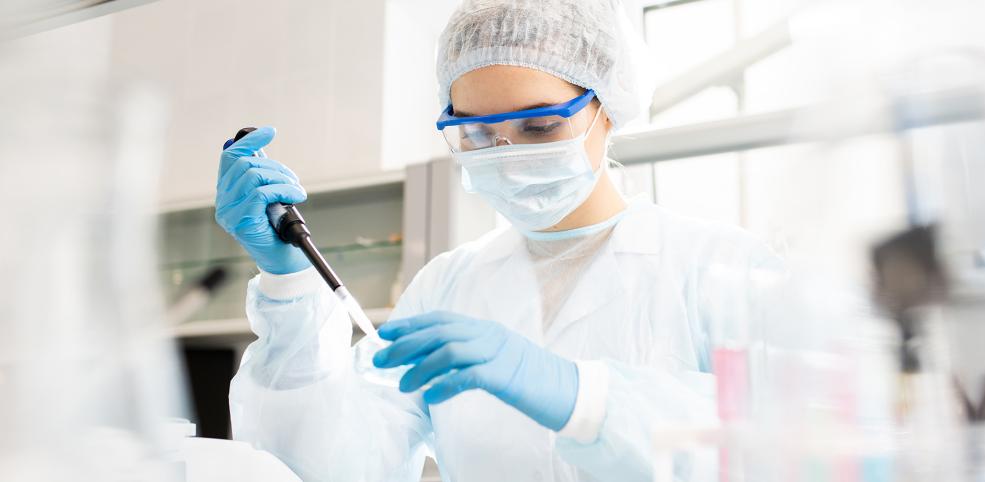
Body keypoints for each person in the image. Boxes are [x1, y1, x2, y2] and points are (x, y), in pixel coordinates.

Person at [215, 0, 780, 480]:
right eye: (478, 133)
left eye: (539, 127)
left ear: (606, 107)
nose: (508, 155)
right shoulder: (446, 286)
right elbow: (333, 464)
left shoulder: (719, 267)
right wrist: (289, 283)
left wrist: (585, 397)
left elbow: (801, 445)